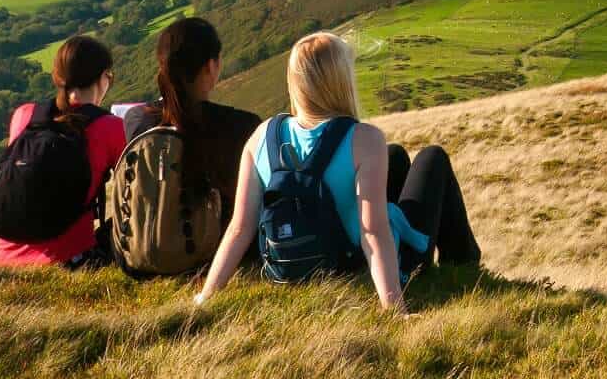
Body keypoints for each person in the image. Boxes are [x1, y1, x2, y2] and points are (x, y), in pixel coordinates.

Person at [193, 31, 479, 313]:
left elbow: (239, 228)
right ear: (342, 80)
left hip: (288, 269)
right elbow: (374, 232)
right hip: (352, 265)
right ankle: (464, 264)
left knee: (396, 156)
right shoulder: (364, 139)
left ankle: (457, 262)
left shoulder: (261, 136)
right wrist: (395, 307)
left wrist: (206, 295)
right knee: (433, 157)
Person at [0, 35, 125, 269]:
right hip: (70, 260)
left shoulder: (25, 115)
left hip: (2, 261)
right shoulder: (109, 127)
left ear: (57, 78)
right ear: (103, 78)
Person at [120, 18, 260, 209]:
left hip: (158, 236)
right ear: (211, 66)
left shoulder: (137, 119)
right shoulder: (244, 126)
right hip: (225, 236)